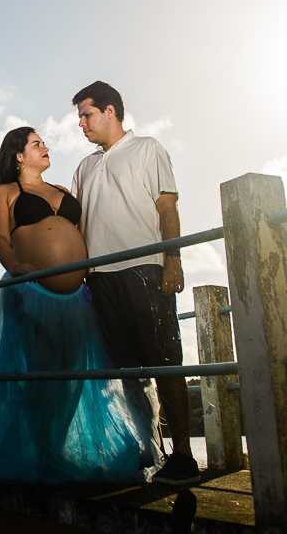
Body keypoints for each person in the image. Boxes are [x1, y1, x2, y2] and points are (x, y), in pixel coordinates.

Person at [0, 126, 157, 484]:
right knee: (42, 377)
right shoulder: (4, 192)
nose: (46, 148)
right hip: (33, 294)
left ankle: (55, 450)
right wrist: (13, 267)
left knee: (72, 380)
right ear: (18, 155)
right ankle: (34, 454)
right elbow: (0, 237)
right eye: (37, 144)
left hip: (78, 299)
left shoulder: (62, 190)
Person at [70, 80, 200, 485]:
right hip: (99, 278)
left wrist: (172, 258)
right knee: (123, 370)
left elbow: (167, 205)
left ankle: (184, 457)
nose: (81, 124)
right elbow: (76, 225)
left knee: (166, 362)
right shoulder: (85, 166)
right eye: (79, 117)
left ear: (110, 111)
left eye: (86, 115)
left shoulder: (147, 149)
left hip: (145, 269)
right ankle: (149, 450)